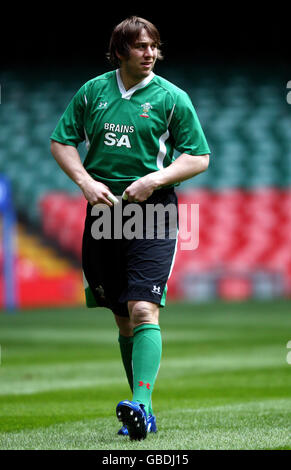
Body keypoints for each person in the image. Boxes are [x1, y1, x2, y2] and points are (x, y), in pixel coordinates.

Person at [50, 16, 210, 441]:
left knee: (143, 309)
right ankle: (145, 412)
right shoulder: (92, 92)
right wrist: (85, 181)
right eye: (140, 46)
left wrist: (154, 180)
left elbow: (198, 156)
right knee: (123, 320)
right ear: (120, 50)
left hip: (153, 212)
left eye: (154, 46)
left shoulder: (172, 98)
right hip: (105, 214)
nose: (150, 53)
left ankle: (138, 405)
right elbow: (61, 141)